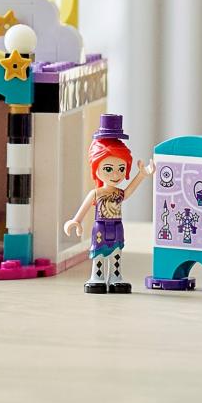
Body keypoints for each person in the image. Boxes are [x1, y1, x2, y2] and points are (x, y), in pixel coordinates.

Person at [62, 114, 151, 294]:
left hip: (117, 226)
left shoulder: (118, 193)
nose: (116, 174)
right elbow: (84, 208)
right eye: (108, 169)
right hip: (100, 226)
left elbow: (128, 191)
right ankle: (97, 277)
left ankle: (115, 277)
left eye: (121, 168)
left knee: (116, 252)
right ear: (96, 168)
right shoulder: (97, 193)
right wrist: (76, 221)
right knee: (99, 253)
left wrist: (142, 174)